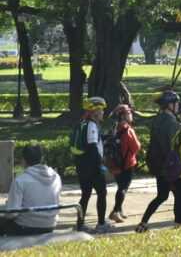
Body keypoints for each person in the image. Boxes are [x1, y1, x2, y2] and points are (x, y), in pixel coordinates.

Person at [136, 90, 179, 233]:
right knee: (180, 195)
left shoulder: (158, 119)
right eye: (175, 103)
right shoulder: (171, 121)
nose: (178, 105)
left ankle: (143, 222)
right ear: (169, 105)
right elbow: (171, 145)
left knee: (162, 196)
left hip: (157, 164)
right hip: (168, 165)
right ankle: (179, 224)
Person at [70, 96, 111, 233]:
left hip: (81, 165)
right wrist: (100, 164)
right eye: (101, 110)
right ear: (95, 111)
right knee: (102, 192)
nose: (103, 113)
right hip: (92, 167)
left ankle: (80, 225)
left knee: (85, 194)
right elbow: (92, 146)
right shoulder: (92, 125)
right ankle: (101, 224)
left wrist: (105, 137)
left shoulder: (82, 123)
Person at [1, 145, 61, 236]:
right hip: (50, 225)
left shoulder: (20, 180)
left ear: (23, 160)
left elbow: (12, 213)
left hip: (25, 226)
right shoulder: (56, 177)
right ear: (41, 158)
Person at [106, 103, 141, 224]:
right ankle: (115, 212)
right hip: (127, 163)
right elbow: (136, 147)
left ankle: (119, 210)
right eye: (129, 113)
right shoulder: (128, 129)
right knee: (123, 188)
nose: (131, 114)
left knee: (120, 186)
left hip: (115, 163)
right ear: (123, 116)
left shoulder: (114, 128)